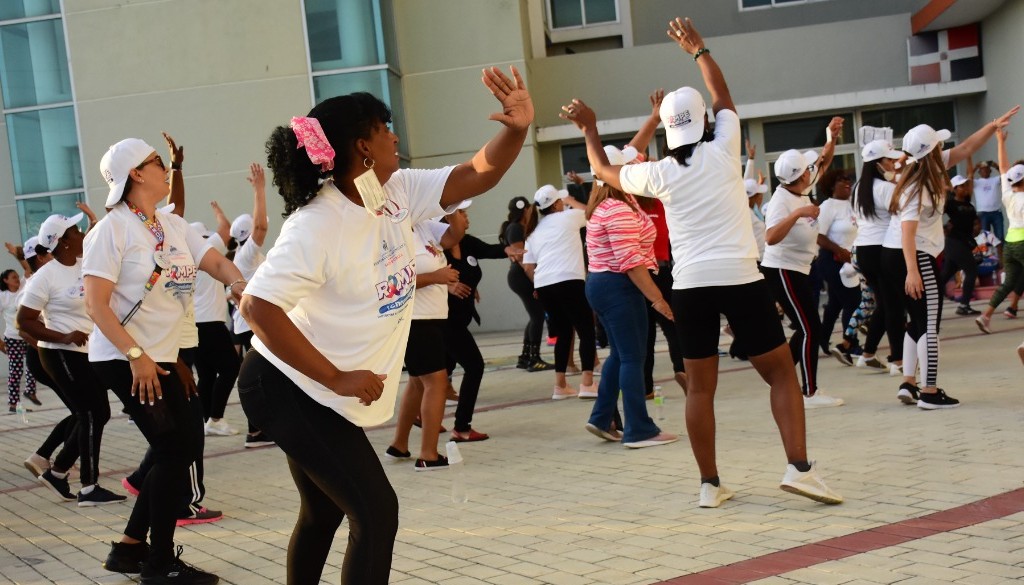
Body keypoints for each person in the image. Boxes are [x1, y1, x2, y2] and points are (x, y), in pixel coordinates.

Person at [236, 67, 532, 584]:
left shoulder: (391, 192)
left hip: (314, 389)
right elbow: (257, 307)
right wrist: (337, 377)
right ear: (361, 146)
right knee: (376, 513)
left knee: (325, 512)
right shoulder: (318, 222)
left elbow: (476, 174)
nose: (395, 135)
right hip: (285, 386)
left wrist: (516, 130)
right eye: (384, 126)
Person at [562, 16, 841, 508]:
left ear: (668, 131)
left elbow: (603, 170)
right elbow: (723, 96)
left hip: (689, 285)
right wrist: (698, 51)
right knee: (780, 374)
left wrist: (589, 128)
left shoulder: (660, 173)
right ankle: (799, 469)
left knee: (700, 390)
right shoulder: (724, 148)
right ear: (705, 123)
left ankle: (709, 485)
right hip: (740, 275)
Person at [84, 137, 246, 583]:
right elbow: (96, 306)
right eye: (158, 162)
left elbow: (214, 262)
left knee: (183, 445)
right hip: (122, 356)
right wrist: (136, 355)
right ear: (136, 173)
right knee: (175, 448)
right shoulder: (111, 230)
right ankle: (158, 565)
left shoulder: (171, 225)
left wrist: (239, 283)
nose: (165, 167)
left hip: (162, 356)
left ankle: (130, 548)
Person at [888, 109, 1019, 409]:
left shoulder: (929, 167)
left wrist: (992, 126)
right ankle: (930, 392)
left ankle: (909, 384)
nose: (945, 149)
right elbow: (907, 234)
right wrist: (912, 271)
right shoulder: (917, 186)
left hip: (907, 256)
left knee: (917, 323)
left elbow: (968, 147)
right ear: (931, 151)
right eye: (939, 145)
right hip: (914, 257)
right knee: (929, 325)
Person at [17, 213, 126, 506]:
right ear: (63, 242)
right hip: (59, 353)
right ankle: (89, 488)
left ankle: (58, 473)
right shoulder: (45, 277)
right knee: (91, 413)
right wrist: (63, 336)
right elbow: (24, 321)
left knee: (96, 413)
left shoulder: (82, 264)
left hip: (85, 353)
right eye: (75, 231)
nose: (81, 235)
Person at [582, 144, 679, 448]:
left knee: (621, 355)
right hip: (618, 286)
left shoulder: (611, 202)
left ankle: (601, 418)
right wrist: (658, 299)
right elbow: (631, 263)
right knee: (633, 358)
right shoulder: (618, 209)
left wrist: (653, 119)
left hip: (606, 284)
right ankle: (639, 428)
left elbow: (637, 150)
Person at [762, 123, 846, 409]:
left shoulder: (802, 187)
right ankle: (809, 392)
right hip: (782, 270)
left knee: (805, 327)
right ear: (800, 174)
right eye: (807, 168)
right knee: (812, 328)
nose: (813, 170)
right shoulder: (782, 201)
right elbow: (770, 237)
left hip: (798, 269)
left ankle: (780, 379)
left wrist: (831, 137)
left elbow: (824, 158)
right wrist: (798, 213)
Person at [386, 213, 466, 469]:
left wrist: (453, 208)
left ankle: (399, 445)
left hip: (432, 317)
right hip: (415, 319)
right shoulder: (390, 234)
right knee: (437, 384)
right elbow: (393, 285)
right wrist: (437, 277)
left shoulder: (423, 226)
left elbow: (456, 234)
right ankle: (428, 454)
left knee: (418, 383)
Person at [443, 201, 517, 442]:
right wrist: (447, 286)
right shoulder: (434, 249)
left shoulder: (468, 243)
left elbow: (491, 250)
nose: (466, 218)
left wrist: (509, 250)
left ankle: (421, 418)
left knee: (432, 376)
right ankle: (461, 427)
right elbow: (419, 278)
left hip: (458, 321)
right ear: (448, 219)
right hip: (443, 322)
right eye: (462, 213)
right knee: (474, 366)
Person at [521, 185, 597, 400]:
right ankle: (587, 383)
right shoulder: (568, 218)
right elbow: (592, 210)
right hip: (569, 280)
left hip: (545, 285)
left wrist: (538, 284)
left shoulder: (533, 232)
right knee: (585, 330)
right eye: (561, 201)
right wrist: (572, 200)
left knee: (563, 333)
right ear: (556, 204)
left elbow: (528, 267)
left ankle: (560, 386)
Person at [854, 139, 905, 374]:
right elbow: (904, 214)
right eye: (890, 160)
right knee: (894, 306)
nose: (894, 163)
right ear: (878, 163)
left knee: (884, 304)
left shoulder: (858, 188)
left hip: (864, 251)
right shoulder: (886, 188)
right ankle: (898, 360)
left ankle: (867, 353)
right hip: (883, 249)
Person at [230, 164, 271, 448]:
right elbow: (261, 226)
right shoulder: (246, 256)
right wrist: (259, 190)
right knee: (262, 378)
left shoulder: (248, 257)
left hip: (250, 323)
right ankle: (256, 431)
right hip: (250, 325)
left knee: (262, 377)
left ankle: (258, 430)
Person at [191, 203, 241, 436]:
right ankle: (216, 418)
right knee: (231, 368)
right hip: (211, 323)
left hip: (194, 326)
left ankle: (205, 421)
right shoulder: (205, 249)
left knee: (207, 375)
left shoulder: (183, 260)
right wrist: (218, 210)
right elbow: (226, 228)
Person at [976, 125, 1024, 334]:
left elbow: (1004, 168)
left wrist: (1000, 141)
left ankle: (985, 315)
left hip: (1011, 243)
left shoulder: (1008, 193)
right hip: (1023, 242)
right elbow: (1005, 169)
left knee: (1008, 283)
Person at [500, 197, 553, 372]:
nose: (533, 210)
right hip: (521, 276)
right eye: (530, 207)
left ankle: (525, 357)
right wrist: (536, 282)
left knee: (534, 315)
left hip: (522, 275)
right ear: (524, 210)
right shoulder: (515, 228)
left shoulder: (520, 227)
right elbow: (522, 258)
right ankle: (533, 359)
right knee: (537, 316)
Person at [815, 169, 861, 365]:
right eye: (841, 180)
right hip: (832, 259)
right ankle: (850, 344)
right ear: (831, 186)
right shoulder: (828, 206)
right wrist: (839, 250)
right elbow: (818, 236)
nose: (847, 183)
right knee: (853, 301)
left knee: (836, 302)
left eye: (848, 180)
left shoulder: (853, 205)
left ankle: (822, 339)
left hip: (851, 261)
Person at [941, 172, 982, 315]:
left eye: (965, 185)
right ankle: (964, 305)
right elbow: (939, 209)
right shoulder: (951, 204)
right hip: (954, 242)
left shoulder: (969, 205)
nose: (965, 188)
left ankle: (929, 302)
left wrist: (977, 229)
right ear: (955, 189)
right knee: (971, 271)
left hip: (964, 242)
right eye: (961, 186)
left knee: (946, 275)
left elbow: (975, 222)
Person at [1, 268, 37, 413]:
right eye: (13, 277)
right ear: (6, 281)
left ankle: (30, 391)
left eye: (17, 276)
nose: (17, 279)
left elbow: (28, 269)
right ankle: (13, 404)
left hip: (28, 336)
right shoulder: (2, 296)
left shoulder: (23, 285)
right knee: (15, 371)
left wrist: (18, 254)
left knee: (32, 364)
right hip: (13, 338)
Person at [974, 160, 1004, 241]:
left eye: (987, 169)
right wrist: (975, 167)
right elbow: (969, 177)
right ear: (979, 172)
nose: (985, 171)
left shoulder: (995, 179)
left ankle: (1000, 254)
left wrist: (996, 166)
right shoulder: (976, 182)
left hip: (996, 212)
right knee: (986, 238)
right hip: (983, 214)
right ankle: (989, 253)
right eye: (982, 169)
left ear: (990, 171)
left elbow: (1005, 176)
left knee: (1000, 236)